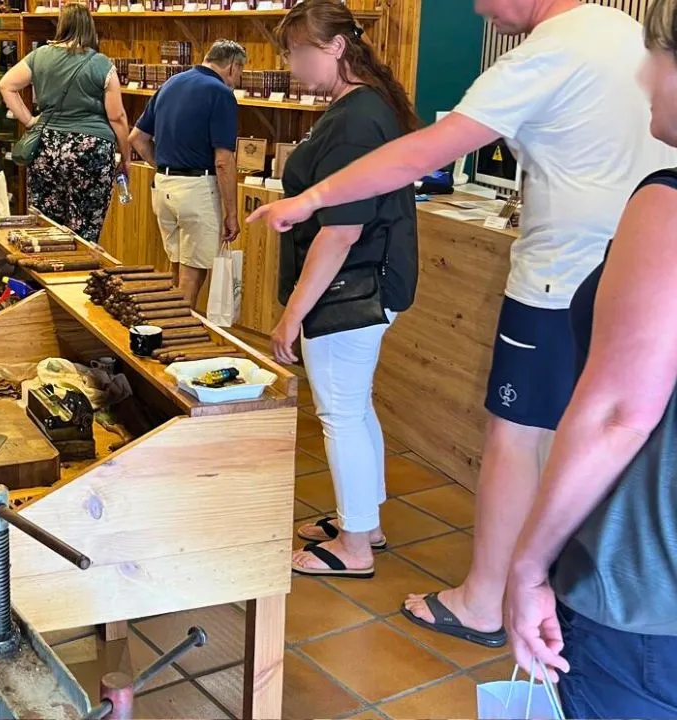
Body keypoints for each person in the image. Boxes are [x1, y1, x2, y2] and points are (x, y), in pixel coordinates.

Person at [249, 0, 674, 647]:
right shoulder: (617, 31)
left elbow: (424, 152)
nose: (476, 7)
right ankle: (546, 588)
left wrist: (311, 198)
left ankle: (487, 598)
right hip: (617, 277)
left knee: (515, 439)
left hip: (558, 285)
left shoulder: (552, 49)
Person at [506, 4, 677, 716]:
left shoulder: (667, 209)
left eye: (659, 55)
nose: (644, 76)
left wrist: (527, 563)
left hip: (645, 596)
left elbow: (617, 412)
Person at [269, 1, 417, 578]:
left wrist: (291, 316)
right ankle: (364, 522)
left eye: (297, 53)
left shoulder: (357, 119)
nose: (292, 66)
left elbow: (341, 230)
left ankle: (355, 547)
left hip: (351, 291)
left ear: (334, 49)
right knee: (355, 409)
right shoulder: (361, 108)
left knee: (341, 414)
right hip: (363, 287)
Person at [0, 4, 130, 244]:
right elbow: (117, 116)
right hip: (91, 148)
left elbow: (6, 85)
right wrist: (126, 155)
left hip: (47, 146)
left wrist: (29, 121)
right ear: (90, 28)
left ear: (62, 25)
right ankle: (78, 276)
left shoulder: (40, 56)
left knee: (45, 224)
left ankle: (45, 275)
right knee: (85, 228)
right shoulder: (101, 64)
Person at [129, 40, 245, 305]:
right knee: (192, 275)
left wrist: (161, 166)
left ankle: (170, 329)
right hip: (197, 189)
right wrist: (232, 213)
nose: (237, 81)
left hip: (163, 187)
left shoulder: (171, 83)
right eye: (239, 73)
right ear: (232, 66)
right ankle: (178, 338)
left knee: (177, 267)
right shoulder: (220, 93)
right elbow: (224, 161)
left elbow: (137, 138)